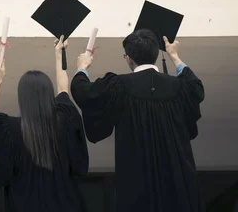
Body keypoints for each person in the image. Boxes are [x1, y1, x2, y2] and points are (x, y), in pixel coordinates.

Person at [71, 29, 205, 212]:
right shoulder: (179, 87)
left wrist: (82, 68)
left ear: (128, 58)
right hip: (177, 184)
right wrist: (174, 56)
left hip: (136, 185)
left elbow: (83, 92)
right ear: (157, 54)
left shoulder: (118, 86)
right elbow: (196, 87)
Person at [0, 36, 89, 211]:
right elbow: (63, 89)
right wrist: (58, 54)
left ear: (22, 97)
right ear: (48, 93)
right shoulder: (64, 120)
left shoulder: (11, 130)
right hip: (64, 204)